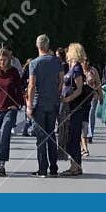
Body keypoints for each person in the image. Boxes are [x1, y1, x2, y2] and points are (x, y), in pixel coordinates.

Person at [25, 34, 64, 177]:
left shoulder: (34, 63)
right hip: (53, 102)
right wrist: (56, 94)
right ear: (48, 45)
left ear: (37, 45)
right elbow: (61, 81)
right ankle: (54, 168)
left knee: (41, 137)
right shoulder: (57, 61)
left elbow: (32, 85)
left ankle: (42, 169)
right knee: (51, 134)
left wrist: (29, 105)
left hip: (39, 103)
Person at [0, 47, 23, 177]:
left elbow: (19, 89)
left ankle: (2, 163)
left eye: (4, 60)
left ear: (8, 60)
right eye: (0, 60)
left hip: (10, 108)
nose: (2, 62)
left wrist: (18, 104)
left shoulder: (14, 72)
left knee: (6, 134)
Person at [59, 42, 92, 176]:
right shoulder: (72, 67)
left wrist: (67, 99)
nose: (66, 53)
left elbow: (79, 89)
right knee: (72, 136)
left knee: (73, 136)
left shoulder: (77, 69)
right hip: (71, 107)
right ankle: (75, 165)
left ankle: (75, 166)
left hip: (74, 107)